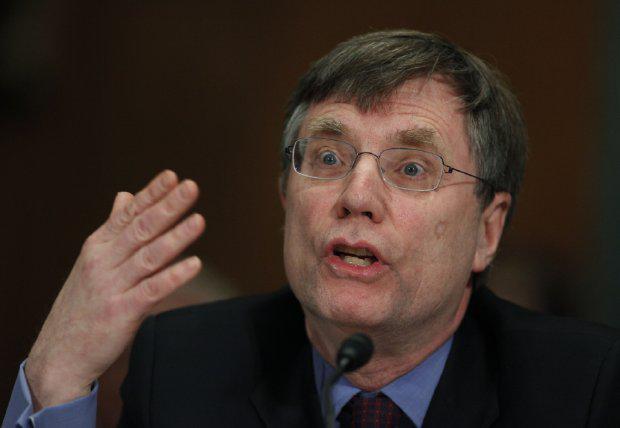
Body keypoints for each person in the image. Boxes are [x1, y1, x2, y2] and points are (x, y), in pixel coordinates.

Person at [4, 29, 620, 428]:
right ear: (285, 197)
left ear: (487, 230)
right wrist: (56, 378)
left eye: (411, 168)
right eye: (327, 157)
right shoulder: (186, 365)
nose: (356, 196)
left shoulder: (584, 388)